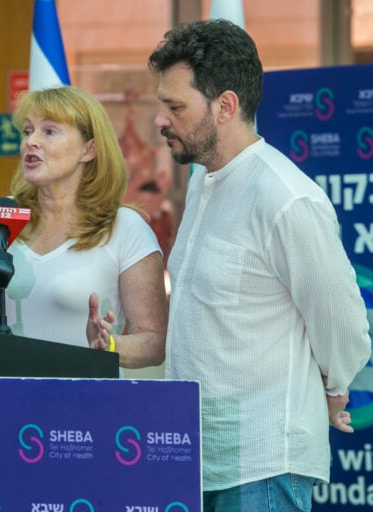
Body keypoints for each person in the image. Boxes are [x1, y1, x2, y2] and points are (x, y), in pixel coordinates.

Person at [148, 19, 371, 511]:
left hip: (263, 468)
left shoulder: (286, 199)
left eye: (174, 106)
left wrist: (334, 387)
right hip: (198, 461)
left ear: (225, 106)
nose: (159, 120)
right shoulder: (205, 183)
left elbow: (344, 324)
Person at [0, 86, 167, 369]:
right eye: (28, 131)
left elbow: (153, 342)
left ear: (89, 149)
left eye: (49, 132)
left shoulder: (124, 228)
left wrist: (110, 345)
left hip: (83, 400)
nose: (31, 142)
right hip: (7, 396)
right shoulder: (3, 215)